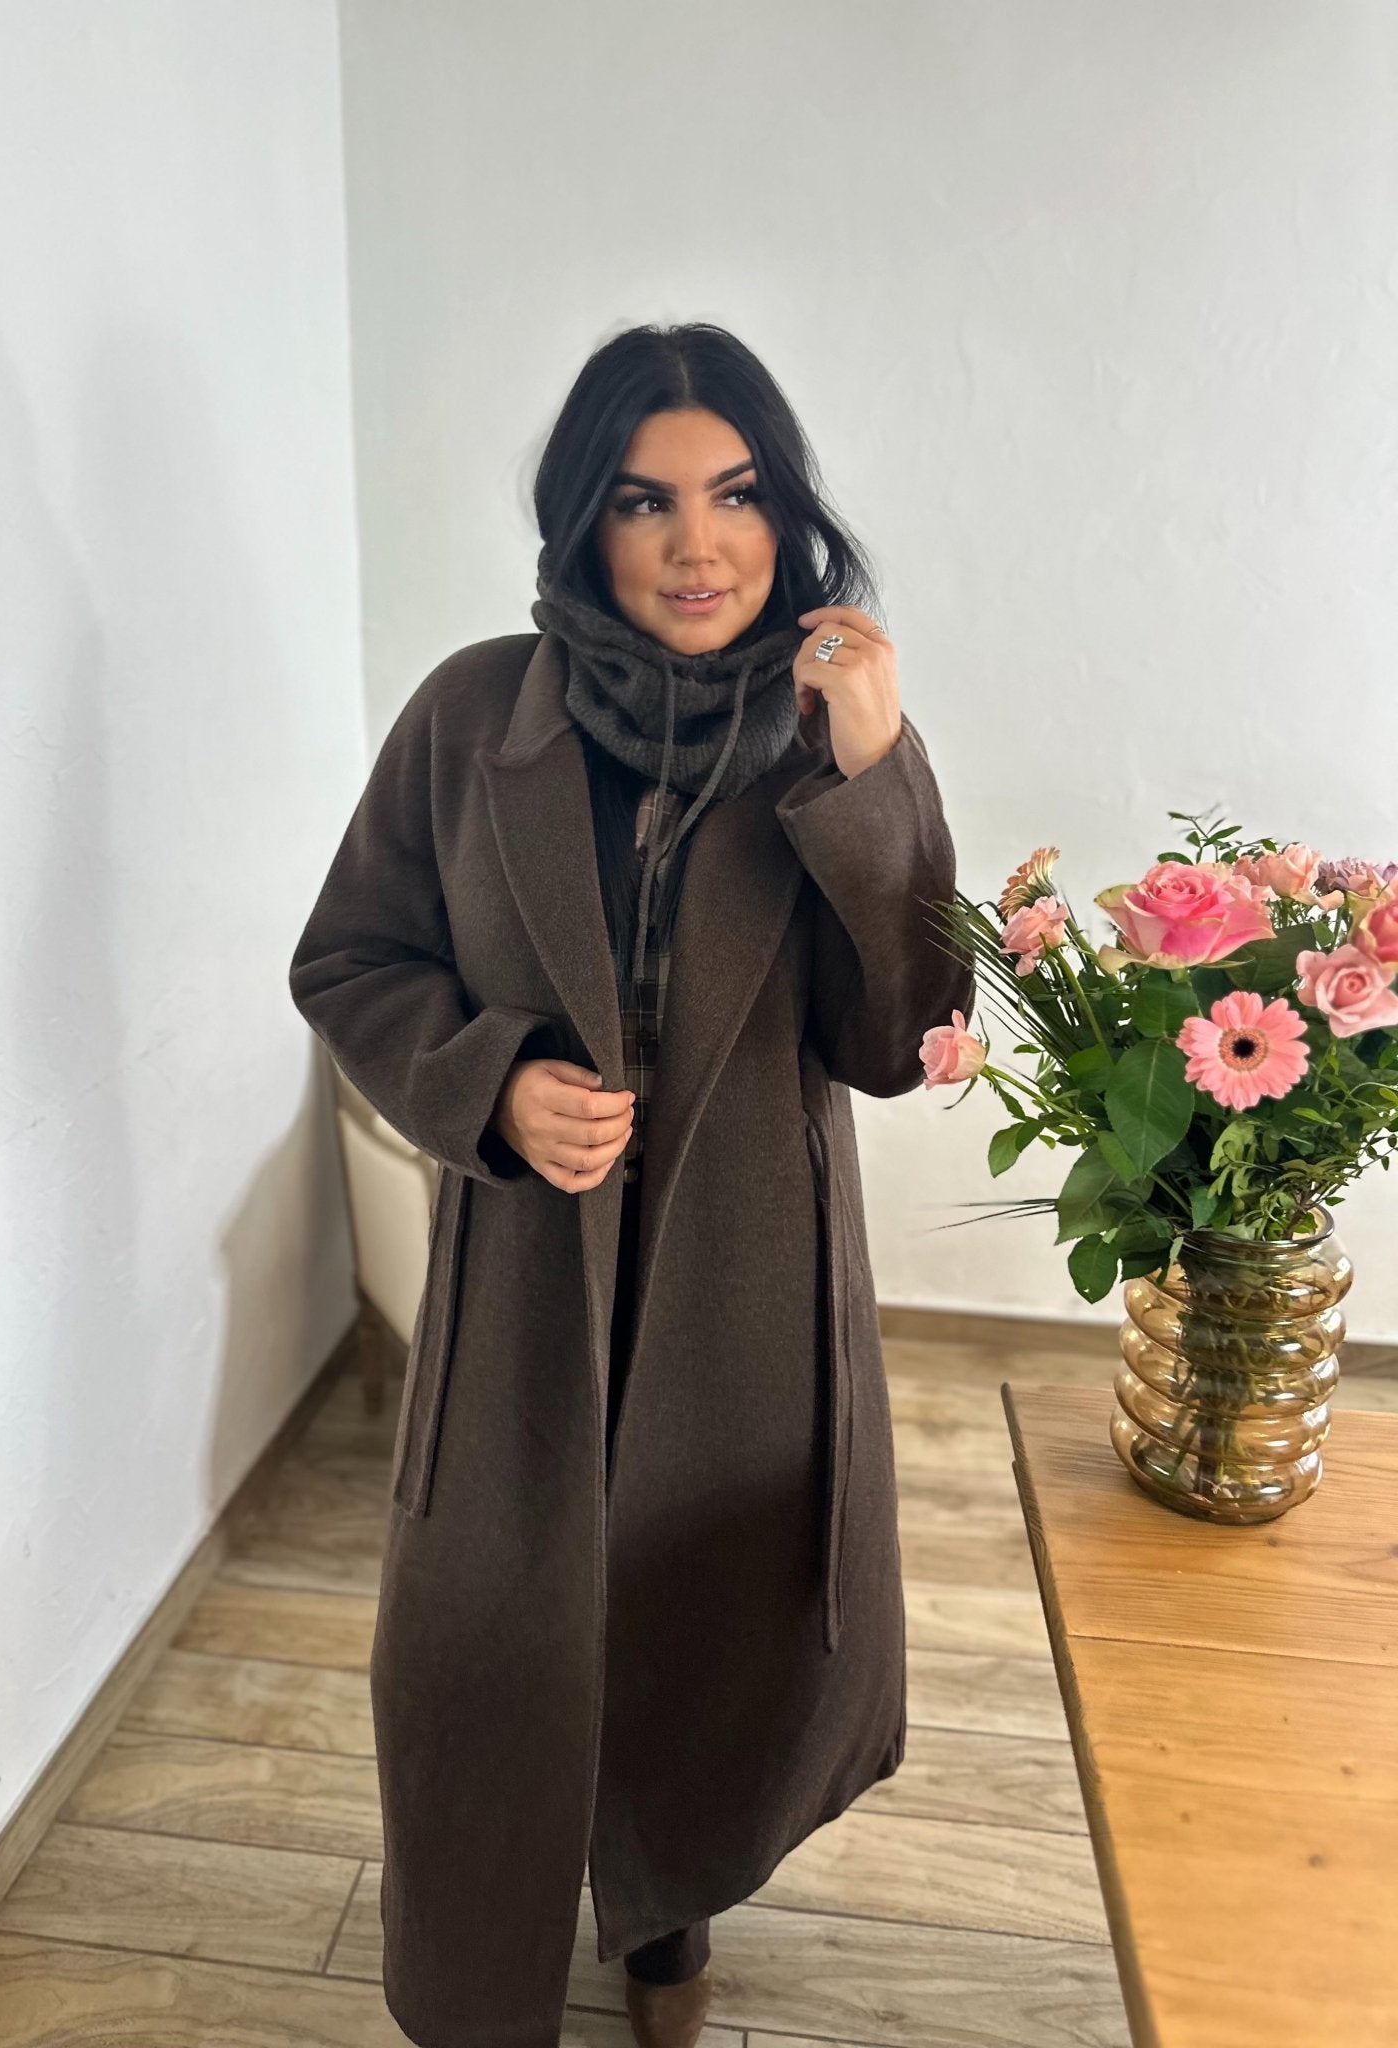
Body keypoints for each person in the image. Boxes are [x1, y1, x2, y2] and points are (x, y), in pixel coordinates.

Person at [288, 321, 975, 2048]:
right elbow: (351, 958)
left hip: (746, 1275)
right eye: (645, 500)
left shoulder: (835, 731)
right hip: (528, 1274)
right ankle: (478, 1983)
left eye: (736, 495)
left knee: (699, 1627)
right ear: (582, 521)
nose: (697, 544)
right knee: (481, 1650)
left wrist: (874, 775)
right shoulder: (471, 717)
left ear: (786, 512)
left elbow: (902, 1037)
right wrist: (494, 1080)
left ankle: (668, 1921)